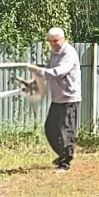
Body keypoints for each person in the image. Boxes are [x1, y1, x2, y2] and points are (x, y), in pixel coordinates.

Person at [27, 28, 81, 172]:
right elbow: (48, 70)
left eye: (56, 41)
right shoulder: (54, 53)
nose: (53, 44)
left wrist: (37, 71)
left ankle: (65, 163)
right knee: (50, 129)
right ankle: (65, 153)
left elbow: (58, 72)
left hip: (69, 98)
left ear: (63, 39)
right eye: (51, 41)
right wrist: (34, 82)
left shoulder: (69, 53)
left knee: (65, 131)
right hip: (57, 99)